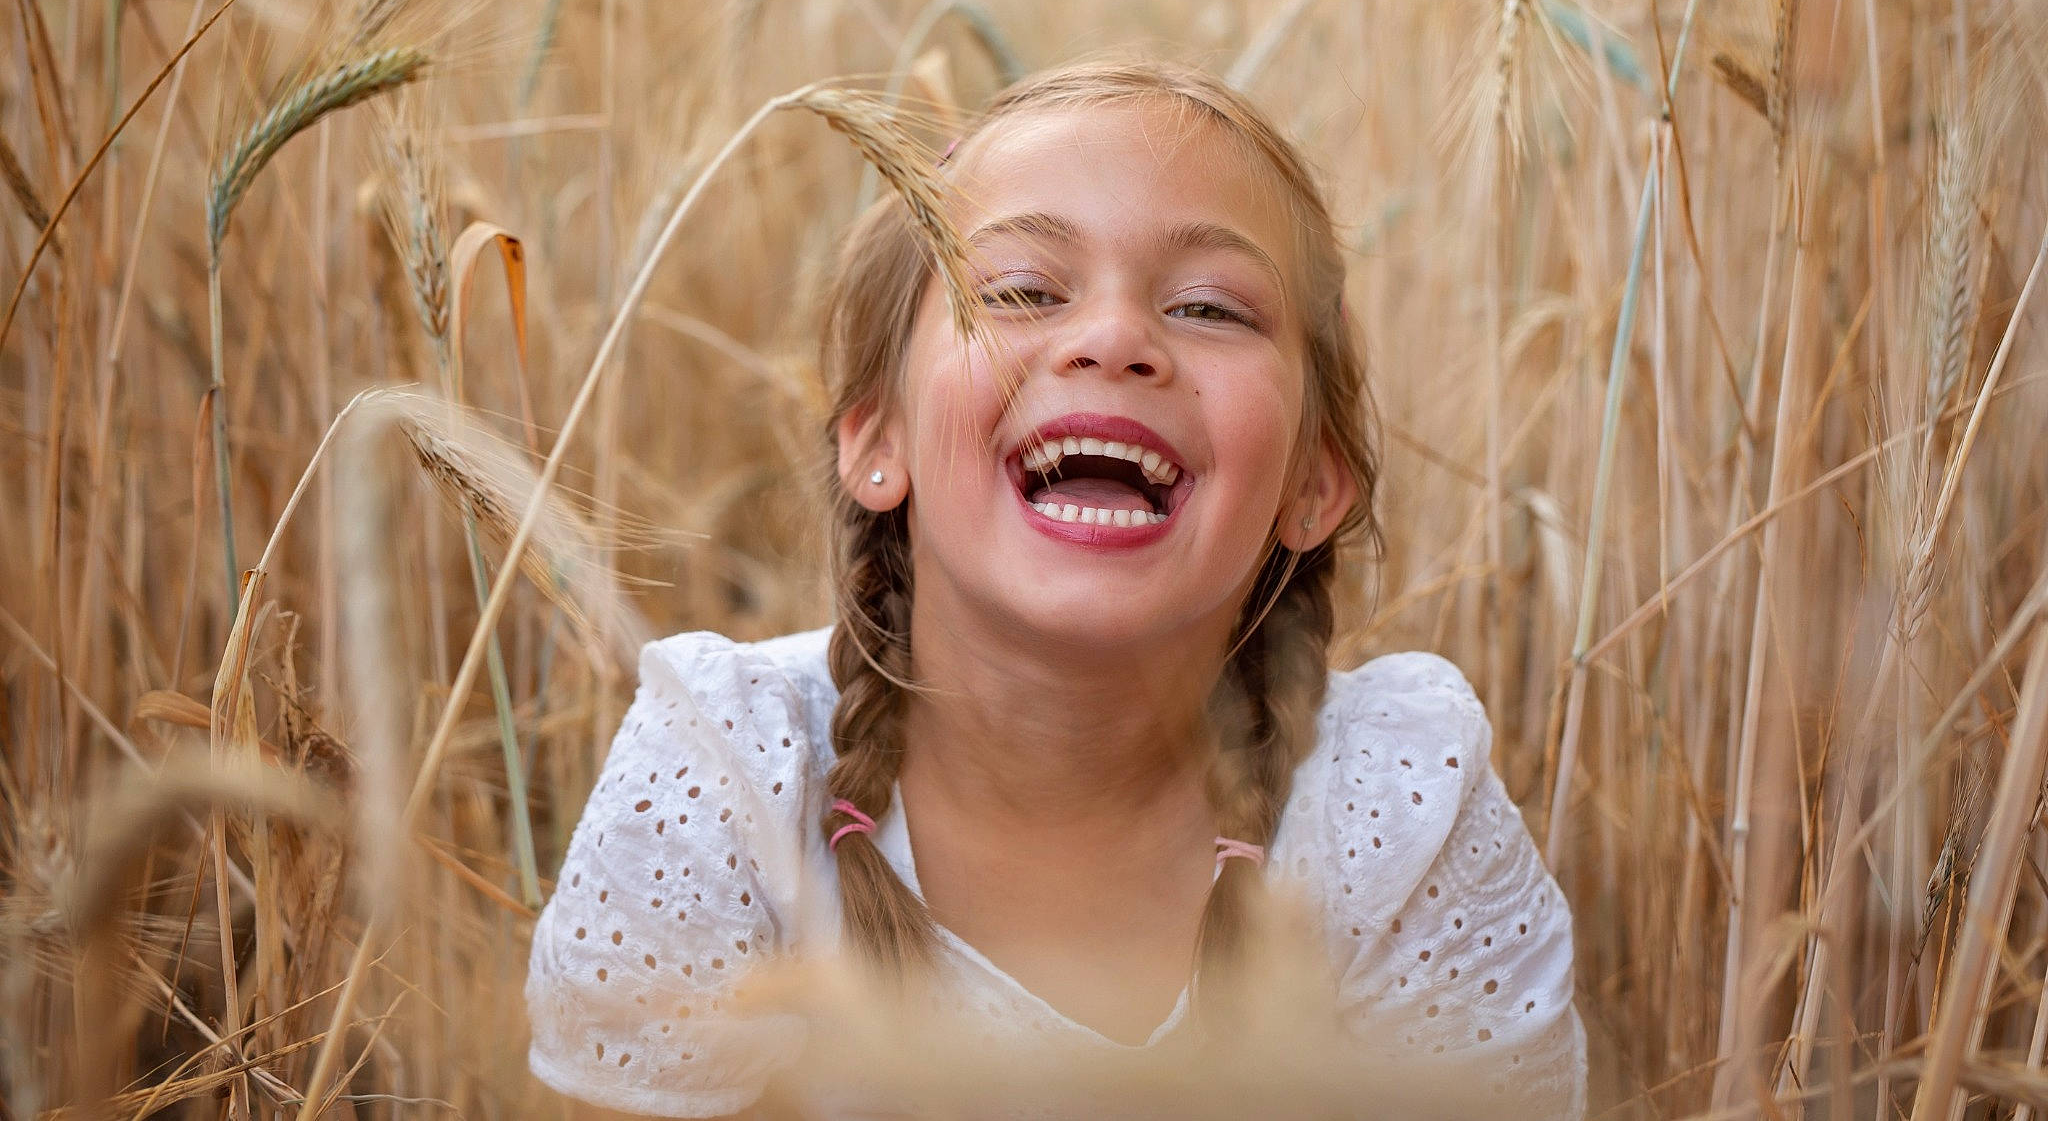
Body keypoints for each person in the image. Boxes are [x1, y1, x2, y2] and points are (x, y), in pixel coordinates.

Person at [523, 58, 1586, 1118]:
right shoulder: (730, 776)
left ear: (1312, 484)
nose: (1116, 339)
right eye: (1022, 289)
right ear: (876, 438)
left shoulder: (1392, 808)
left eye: (1210, 307)